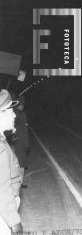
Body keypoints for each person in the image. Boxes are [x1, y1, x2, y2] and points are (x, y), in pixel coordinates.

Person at [0, 89, 23, 235]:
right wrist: (14, 221)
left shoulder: (2, 140)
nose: (14, 115)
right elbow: (2, 188)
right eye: (10, 111)